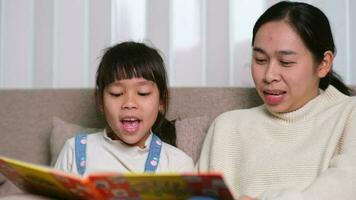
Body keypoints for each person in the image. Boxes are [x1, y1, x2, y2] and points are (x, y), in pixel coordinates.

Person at [196, 1, 356, 200]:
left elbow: (347, 185)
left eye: (286, 62)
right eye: (260, 60)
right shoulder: (228, 127)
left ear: (324, 64)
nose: (269, 75)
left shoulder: (349, 114)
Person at [55, 41, 194, 175]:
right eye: (117, 93)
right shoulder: (75, 151)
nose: (129, 103)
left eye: (143, 93)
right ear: (100, 101)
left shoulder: (178, 164)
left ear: (162, 101)